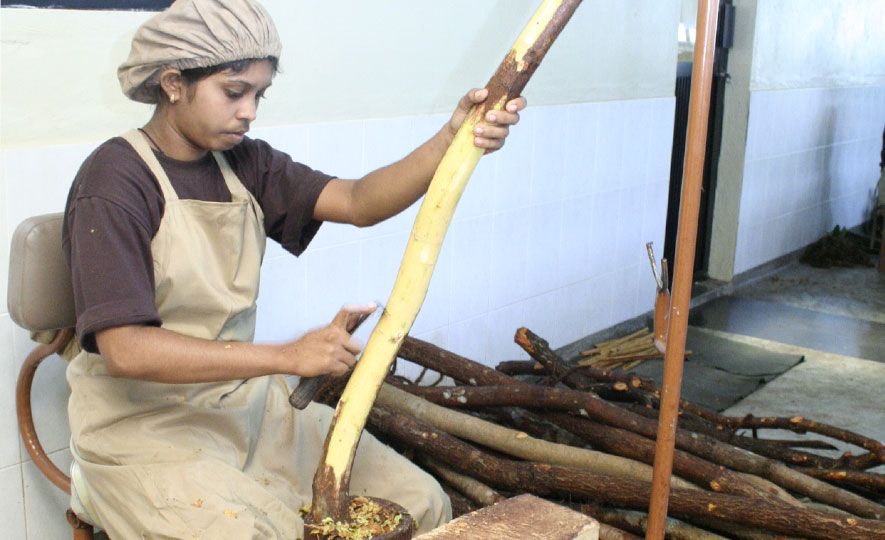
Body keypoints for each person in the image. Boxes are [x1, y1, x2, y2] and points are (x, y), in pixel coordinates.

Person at [61, 0, 525, 538]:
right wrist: (287, 355)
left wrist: (450, 139)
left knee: (419, 500)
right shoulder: (115, 181)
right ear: (172, 84)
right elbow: (125, 349)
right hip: (142, 434)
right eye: (234, 93)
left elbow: (357, 201)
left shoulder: (245, 162)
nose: (249, 111)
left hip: (247, 413)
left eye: (259, 94)